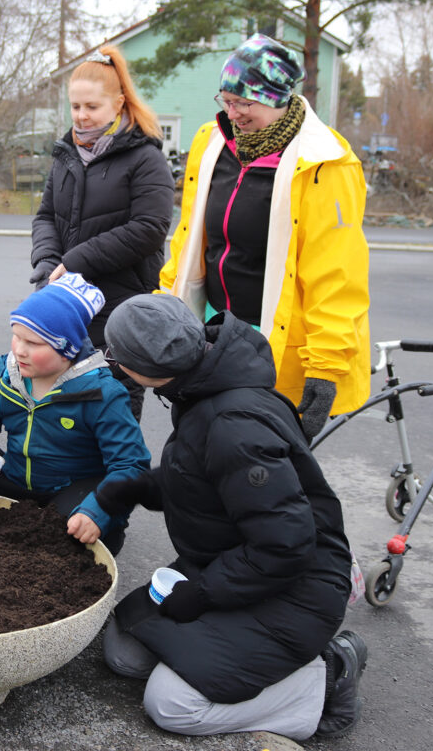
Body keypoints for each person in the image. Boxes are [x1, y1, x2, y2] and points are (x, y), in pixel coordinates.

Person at [66, 293, 365, 740]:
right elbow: (207, 480)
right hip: (234, 564)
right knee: (125, 655)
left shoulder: (234, 425)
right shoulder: (204, 382)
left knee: (172, 706)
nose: (111, 363)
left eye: (115, 356)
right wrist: (132, 489)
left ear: (147, 367)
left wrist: (203, 594)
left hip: (297, 588)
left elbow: (285, 544)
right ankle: (241, 664)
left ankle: (328, 677)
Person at [159, 33, 370, 442]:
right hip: (210, 335)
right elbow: (187, 240)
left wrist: (325, 368)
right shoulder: (211, 142)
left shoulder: (326, 163)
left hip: (273, 347)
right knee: (196, 454)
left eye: (245, 103)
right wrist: (167, 304)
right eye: (226, 99)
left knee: (256, 467)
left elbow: (337, 275)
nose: (233, 113)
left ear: (277, 99)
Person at [0, 273, 150, 554]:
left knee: (70, 532)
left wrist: (97, 511)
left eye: (34, 343)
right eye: (16, 336)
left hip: (70, 491)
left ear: (67, 349)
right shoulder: (4, 374)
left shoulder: (102, 393)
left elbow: (131, 466)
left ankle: (94, 529)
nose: (19, 350)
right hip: (15, 481)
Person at [30, 45, 175, 422]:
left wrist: (74, 262)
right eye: (75, 107)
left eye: (91, 107)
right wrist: (47, 262)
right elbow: (46, 215)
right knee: (62, 420)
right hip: (65, 304)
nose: (81, 116)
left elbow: (150, 229)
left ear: (119, 104)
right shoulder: (66, 155)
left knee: (113, 420)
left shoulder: (146, 158)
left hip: (120, 312)